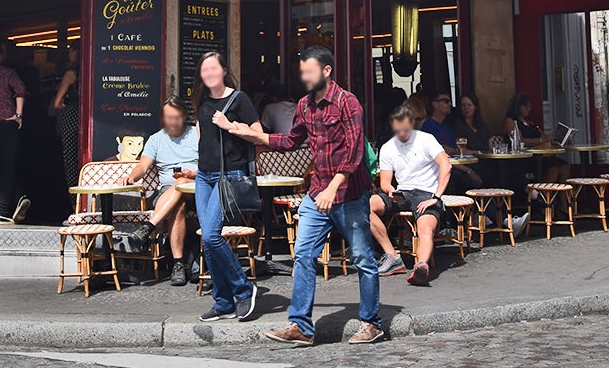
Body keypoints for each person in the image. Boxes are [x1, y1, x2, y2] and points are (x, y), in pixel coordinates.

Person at [218, 46, 386, 346]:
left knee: (363, 259)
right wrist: (250, 134)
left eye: (308, 71)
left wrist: (334, 187)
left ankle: (372, 323)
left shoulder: (348, 103)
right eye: (302, 72)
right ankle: (301, 327)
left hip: (349, 195)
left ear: (326, 70)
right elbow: (290, 140)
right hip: (317, 194)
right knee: (304, 256)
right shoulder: (305, 106)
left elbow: (355, 150)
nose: (304, 77)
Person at [192, 52, 260, 322]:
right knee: (207, 239)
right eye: (204, 70)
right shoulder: (201, 100)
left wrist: (229, 125)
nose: (208, 73)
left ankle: (243, 290)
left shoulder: (239, 99)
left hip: (229, 175)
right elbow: (200, 132)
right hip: (203, 176)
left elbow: (256, 132)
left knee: (211, 236)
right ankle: (222, 302)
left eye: (213, 68)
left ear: (223, 70)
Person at [368, 105, 451, 285]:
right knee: (367, 205)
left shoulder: (426, 140)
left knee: (425, 228)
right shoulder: (388, 147)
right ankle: (392, 256)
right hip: (403, 192)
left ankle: (421, 266)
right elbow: (384, 181)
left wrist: (436, 197)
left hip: (427, 193)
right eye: (398, 131)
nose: (402, 135)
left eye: (405, 130)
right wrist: (390, 191)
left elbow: (446, 165)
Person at [128, 98, 200, 286]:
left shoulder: (197, 135)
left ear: (184, 116)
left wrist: (191, 174)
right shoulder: (156, 139)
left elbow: (212, 166)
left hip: (198, 189)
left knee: (182, 181)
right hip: (169, 194)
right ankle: (178, 264)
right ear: (163, 118)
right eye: (169, 117)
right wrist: (131, 177)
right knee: (178, 205)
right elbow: (142, 166)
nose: (173, 122)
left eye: (176, 117)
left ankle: (148, 227)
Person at [0, 40, 30, 225]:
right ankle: (5, 208)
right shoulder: (8, 72)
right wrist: (18, 114)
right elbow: (21, 90)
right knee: (8, 167)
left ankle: (4, 205)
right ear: (0, 56)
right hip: (8, 124)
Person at [51, 45, 82, 196]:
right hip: (86, 120)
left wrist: (64, 103)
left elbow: (56, 103)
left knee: (71, 164)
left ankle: (74, 203)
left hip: (71, 118)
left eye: (71, 49)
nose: (68, 53)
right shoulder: (92, 70)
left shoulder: (71, 74)